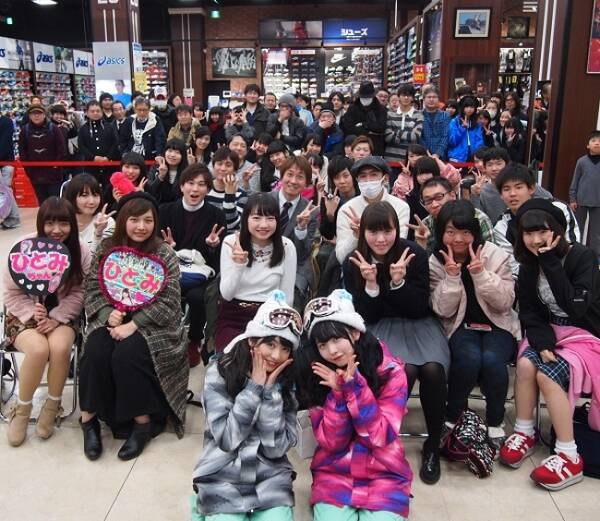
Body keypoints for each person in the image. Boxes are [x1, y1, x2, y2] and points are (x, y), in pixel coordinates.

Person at [344, 202, 449, 484]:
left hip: (418, 324)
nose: (381, 239)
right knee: (404, 370)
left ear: (396, 229)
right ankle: (383, 442)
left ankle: (433, 445)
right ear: (363, 232)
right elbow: (365, 316)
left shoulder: (413, 254)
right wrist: (372, 285)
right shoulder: (354, 260)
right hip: (378, 326)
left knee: (433, 369)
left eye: (387, 231)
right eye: (373, 232)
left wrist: (398, 282)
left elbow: (418, 308)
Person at [78, 192, 189, 461]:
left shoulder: (164, 252)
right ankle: (89, 421)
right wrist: (108, 314)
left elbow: (170, 299)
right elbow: (92, 287)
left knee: (127, 354)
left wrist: (135, 323)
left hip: (153, 324)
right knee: (95, 351)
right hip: (111, 317)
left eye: (148, 220)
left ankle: (142, 423)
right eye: (134, 219)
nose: (141, 226)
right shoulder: (107, 248)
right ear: (123, 220)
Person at [499, 199, 600, 490]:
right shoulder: (528, 265)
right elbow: (530, 311)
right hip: (551, 333)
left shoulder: (581, 257)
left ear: (556, 230)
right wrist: (543, 343)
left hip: (585, 335)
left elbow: (576, 307)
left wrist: (550, 262)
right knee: (526, 364)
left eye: (542, 232)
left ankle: (569, 455)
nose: (535, 240)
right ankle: (525, 431)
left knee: (547, 374)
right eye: (528, 234)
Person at [296, 289, 412, 520]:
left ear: (355, 332)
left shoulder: (391, 373)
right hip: (334, 474)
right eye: (322, 344)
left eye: (337, 339)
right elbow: (331, 442)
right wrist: (338, 395)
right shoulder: (318, 374)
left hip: (384, 473)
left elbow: (379, 438)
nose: (331, 351)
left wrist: (355, 388)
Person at [192, 292, 301, 521]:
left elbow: (275, 450)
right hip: (221, 473)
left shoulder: (287, 380)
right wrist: (253, 390)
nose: (276, 355)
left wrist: (270, 394)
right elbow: (227, 440)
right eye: (270, 344)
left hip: (270, 476)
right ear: (252, 340)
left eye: (285, 348)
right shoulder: (219, 373)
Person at [429, 200, 520, 449]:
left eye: (465, 231)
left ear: (475, 232)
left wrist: (480, 274)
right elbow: (442, 310)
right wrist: (451, 277)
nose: (458, 239)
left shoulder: (494, 254)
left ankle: (495, 421)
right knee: (467, 358)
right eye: (450, 231)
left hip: (498, 325)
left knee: (492, 360)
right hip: (460, 325)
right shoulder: (436, 260)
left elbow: (505, 302)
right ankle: (452, 417)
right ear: (441, 233)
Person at [4, 197, 90, 447]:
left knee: (60, 347)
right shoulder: (23, 248)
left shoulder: (81, 251)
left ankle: (52, 406)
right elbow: (10, 292)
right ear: (40, 223)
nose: (56, 230)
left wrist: (56, 316)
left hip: (63, 315)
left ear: (72, 224)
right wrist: (32, 312)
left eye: (63, 223)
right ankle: (22, 410)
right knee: (39, 349)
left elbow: (82, 292)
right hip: (24, 315)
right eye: (50, 223)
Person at [159, 164, 226, 367]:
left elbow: (217, 260)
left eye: (201, 184)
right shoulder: (165, 211)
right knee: (163, 292)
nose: (195, 189)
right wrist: (167, 248)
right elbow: (154, 247)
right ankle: (165, 338)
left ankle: (194, 340)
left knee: (198, 297)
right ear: (181, 186)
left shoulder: (216, 215)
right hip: (170, 271)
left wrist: (212, 247)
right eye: (190, 183)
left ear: (208, 189)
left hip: (200, 274)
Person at [216, 193, 297, 352]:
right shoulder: (231, 243)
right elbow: (227, 294)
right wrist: (238, 266)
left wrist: (281, 327)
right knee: (233, 357)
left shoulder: (287, 247)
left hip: (270, 316)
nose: (264, 224)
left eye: (270, 218)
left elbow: (287, 297)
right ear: (246, 219)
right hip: (234, 314)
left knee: (266, 356)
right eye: (256, 218)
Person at [494, 163, 580, 276]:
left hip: (565, 273)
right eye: (506, 189)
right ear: (500, 194)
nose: (512, 194)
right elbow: (512, 266)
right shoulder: (502, 225)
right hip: (528, 278)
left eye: (518, 187)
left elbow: (573, 248)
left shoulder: (558, 209)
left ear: (531, 189)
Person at [336, 156, 410, 264]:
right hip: (356, 268)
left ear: (385, 178)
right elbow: (341, 257)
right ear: (357, 180)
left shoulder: (400, 207)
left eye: (373, 175)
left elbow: (397, 247)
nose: (368, 180)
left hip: (391, 268)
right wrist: (356, 236)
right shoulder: (347, 210)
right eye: (363, 176)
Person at [268, 155, 319, 308]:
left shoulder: (311, 211)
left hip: (295, 267)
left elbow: (304, 253)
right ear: (281, 176)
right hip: (263, 260)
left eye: (300, 177)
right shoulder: (264, 201)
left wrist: (301, 228)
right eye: (289, 174)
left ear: (307, 183)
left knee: (292, 305)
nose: (294, 181)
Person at [410, 177, 495, 254]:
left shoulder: (478, 218)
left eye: (439, 197)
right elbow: (423, 263)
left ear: (452, 195)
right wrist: (421, 244)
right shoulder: (425, 224)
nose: (434, 204)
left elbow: (491, 255)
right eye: (428, 200)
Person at [471, 147, 551, 224]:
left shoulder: (521, 182)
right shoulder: (482, 190)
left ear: (507, 164)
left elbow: (548, 197)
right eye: (490, 165)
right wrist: (475, 195)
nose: (494, 168)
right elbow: (478, 218)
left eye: (499, 164)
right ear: (485, 168)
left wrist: (527, 181)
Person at [18, 104, 66, 204]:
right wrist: (28, 169)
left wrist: (56, 166)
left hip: (54, 174)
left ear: (44, 115)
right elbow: (22, 151)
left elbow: (61, 149)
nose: (36, 116)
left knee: (55, 202)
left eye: (39, 113)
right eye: (33, 113)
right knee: (42, 202)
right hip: (35, 174)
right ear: (29, 116)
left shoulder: (54, 129)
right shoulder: (25, 131)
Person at [62, 173, 116, 254]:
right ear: (72, 197)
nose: (91, 201)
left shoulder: (107, 223)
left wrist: (98, 234)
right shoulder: (61, 221)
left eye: (95, 195)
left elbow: (97, 258)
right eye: (84, 195)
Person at [569, 130, 600, 260]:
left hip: (598, 203)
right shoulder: (581, 161)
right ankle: (576, 254)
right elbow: (575, 181)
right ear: (588, 145)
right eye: (594, 141)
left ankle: (595, 258)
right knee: (578, 229)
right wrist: (572, 198)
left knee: (596, 233)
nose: (597, 143)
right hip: (580, 201)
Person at [77, 100, 120, 185]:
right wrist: (93, 157)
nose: (95, 113)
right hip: (91, 166)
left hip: (109, 165)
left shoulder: (109, 127)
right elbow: (81, 146)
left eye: (98, 111)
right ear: (87, 113)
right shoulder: (83, 129)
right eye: (92, 111)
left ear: (102, 112)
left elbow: (115, 143)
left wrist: (107, 157)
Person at [206, 147, 247, 232]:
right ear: (213, 166)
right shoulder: (204, 189)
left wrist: (229, 195)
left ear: (235, 170)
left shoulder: (241, 195)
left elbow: (231, 224)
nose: (223, 168)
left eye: (228, 165)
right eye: (219, 164)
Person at [341, 81, 387, 156]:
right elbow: (348, 128)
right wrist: (369, 130)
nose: (365, 99)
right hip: (356, 146)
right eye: (363, 97)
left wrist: (364, 125)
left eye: (368, 97)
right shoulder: (353, 108)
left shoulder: (380, 109)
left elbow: (381, 127)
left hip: (376, 148)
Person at [384, 83, 423, 165]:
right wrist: (407, 136)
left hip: (410, 161)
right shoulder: (390, 114)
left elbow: (415, 136)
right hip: (390, 159)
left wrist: (396, 132)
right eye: (403, 95)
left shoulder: (418, 115)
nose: (406, 98)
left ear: (412, 98)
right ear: (398, 96)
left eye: (409, 95)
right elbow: (387, 137)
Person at [147, 138, 188, 204]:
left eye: (177, 152)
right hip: (158, 206)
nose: (172, 155)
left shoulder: (187, 171)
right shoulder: (156, 168)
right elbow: (150, 191)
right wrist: (160, 177)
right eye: (170, 151)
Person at [448, 95, 484, 163]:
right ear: (462, 108)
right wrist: (462, 128)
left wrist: (476, 155)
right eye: (467, 107)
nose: (469, 109)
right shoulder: (454, 122)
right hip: (457, 157)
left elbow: (479, 141)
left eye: (472, 107)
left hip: (473, 157)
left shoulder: (476, 124)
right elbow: (452, 141)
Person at [420, 84, 451, 159]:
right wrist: (427, 152)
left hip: (441, 156)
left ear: (438, 99)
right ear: (424, 99)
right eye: (429, 97)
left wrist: (437, 154)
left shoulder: (445, 115)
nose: (431, 99)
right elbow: (419, 137)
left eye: (434, 97)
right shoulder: (419, 115)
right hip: (423, 155)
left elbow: (445, 136)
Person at [0, 114, 20, 229]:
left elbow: (5, 143)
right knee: (6, 192)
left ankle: (13, 217)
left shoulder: (6, 121)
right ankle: (12, 217)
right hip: (5, 162)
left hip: (6, 163)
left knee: (6, 192)